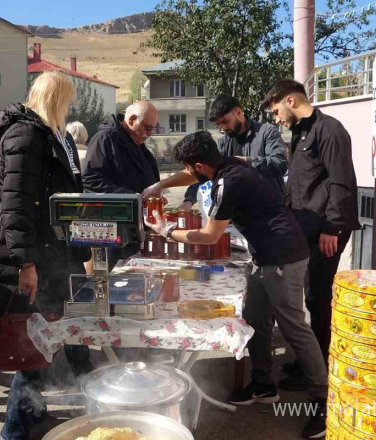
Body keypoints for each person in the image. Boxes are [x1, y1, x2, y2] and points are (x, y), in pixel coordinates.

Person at [142, 131, 328, 439]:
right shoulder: (227, 164)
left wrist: (165, 230)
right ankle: (263, 383)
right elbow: (190, 177)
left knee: (295, 327)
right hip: (265, 256)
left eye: (189, 167)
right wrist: (160, 185)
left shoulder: (228, 183)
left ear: (199, 164)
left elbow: (208, 236)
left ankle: (323, 400)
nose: (188, 173)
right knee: (255, 318)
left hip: (283, 257)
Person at [0, 71, 94, 440]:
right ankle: (13, 432)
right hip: (34, 261)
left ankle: (44, 410)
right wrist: (25, 265)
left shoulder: (48, 135)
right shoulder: (26, 134)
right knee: (31, 348)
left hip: (51, 256)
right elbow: (15, 207)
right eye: (67, 100)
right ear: (56, 99)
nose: (70, 108)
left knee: (57, 333)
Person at [261, 79, 360, 386]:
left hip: (325, 231)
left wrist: (332, 227)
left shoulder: (330, 130)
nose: (276, 118)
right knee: (309, 296)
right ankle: (310, 361)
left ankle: (319, 373)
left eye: (276, 110)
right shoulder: (302, 131)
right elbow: (299, 185)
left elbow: (341, 181)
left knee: (318, 296)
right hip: (305, 228)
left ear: (289, 101)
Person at [81, 101, 161, 268]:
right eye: (147, 127)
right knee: (112, 277)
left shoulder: (136, 141)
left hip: (133, 227)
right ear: (131, 119)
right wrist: (132, 198)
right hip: (111, 228)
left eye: (154, 128)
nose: (150, 133)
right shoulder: (105, 139)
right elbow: (90, 178)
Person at [182, 94, 288, 209]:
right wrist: (189, 199)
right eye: (219, 124)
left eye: (225, 121)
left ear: (238, 112)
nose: (223, 128)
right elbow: (209, 171)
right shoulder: (224, 142)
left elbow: (280, 164)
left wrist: (247, 162)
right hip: (240, 215)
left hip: (271, 211)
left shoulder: (267, 132)